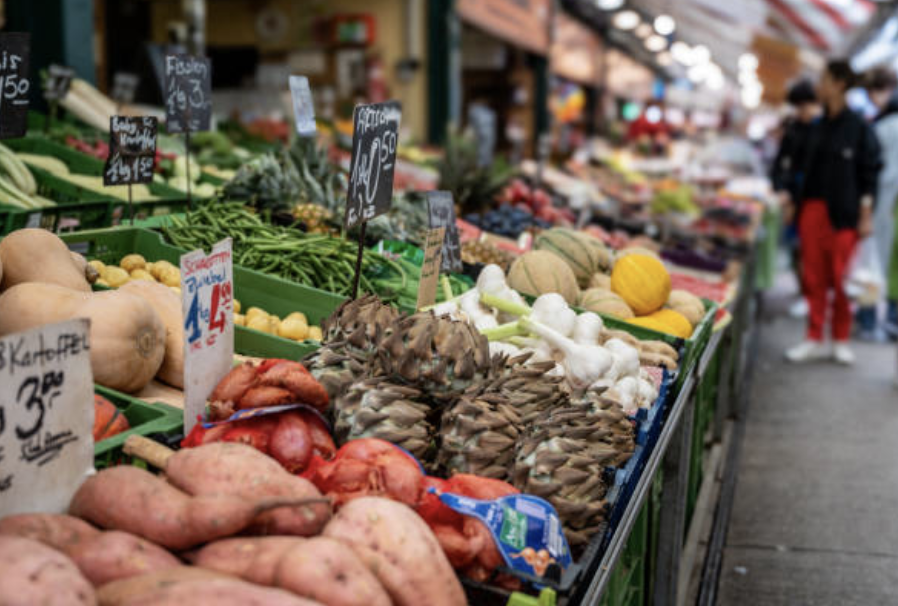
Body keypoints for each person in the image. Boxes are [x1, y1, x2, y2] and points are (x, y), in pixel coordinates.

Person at [785, 60, 881, 365]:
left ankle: (840, 338)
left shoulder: (859, 127)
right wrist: (791, 201)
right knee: (813, 277)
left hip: (845, 214)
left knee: (842, 279)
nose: (819, 85)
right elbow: (797, 167)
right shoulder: (816, 126)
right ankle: (813, 336)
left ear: (839, 83)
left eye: (824, 79)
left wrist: (866, 214)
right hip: (811, 209)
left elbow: (870, 173)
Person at [770, 80, 820, 317]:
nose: (802, 112)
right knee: (798, 250)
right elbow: (780, 165)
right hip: (794, 199)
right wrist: (783, 191)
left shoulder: (822, 129)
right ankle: (805, 293)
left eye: (805, 106)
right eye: (798, 107)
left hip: (815, 201)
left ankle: (811, 295)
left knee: (811, 252)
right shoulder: (794, 131)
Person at [865, 68, 898, 339]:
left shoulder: (881, 127)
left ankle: (868, 322)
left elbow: (875, 171)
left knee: (872, 264)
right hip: (888, 207)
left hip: (883, 207)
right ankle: (889, 321)